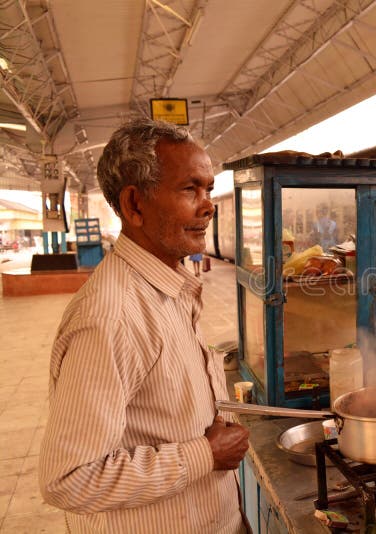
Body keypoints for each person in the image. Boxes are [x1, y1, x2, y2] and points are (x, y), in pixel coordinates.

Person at [39, 118, 250, 533]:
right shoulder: (110, 318)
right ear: (134, 205)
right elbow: (68, 480)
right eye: (190, 189)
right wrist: (204, 455)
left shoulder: (168, 288)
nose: (208, 205)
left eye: (208, 189)